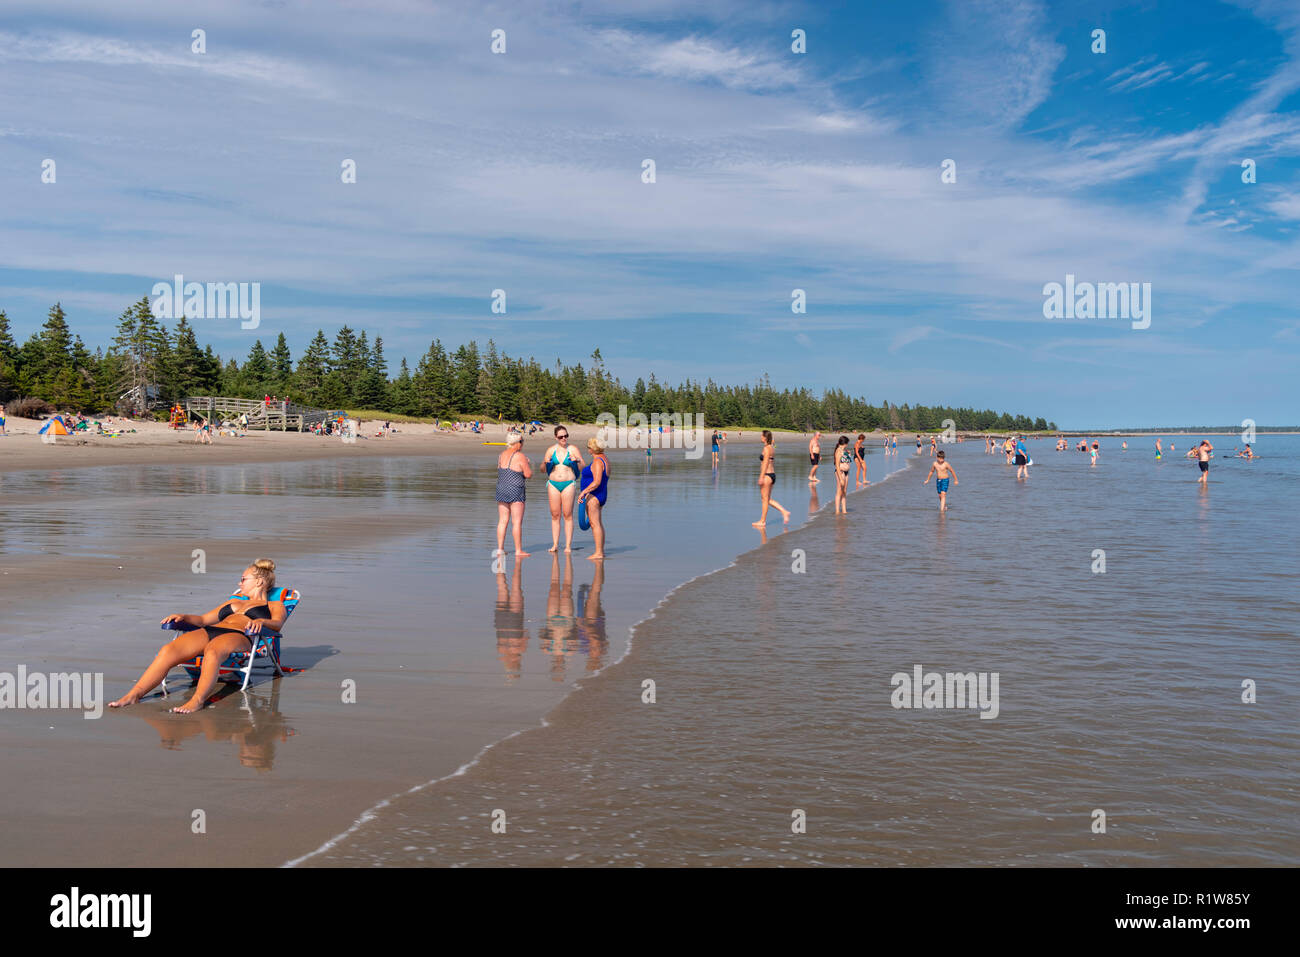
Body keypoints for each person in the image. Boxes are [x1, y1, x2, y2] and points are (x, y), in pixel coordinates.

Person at [109, 559, 287, 713]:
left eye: (243, 579)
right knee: (169, 649)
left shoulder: (274, 605)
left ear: (260, 582)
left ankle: (197, 700)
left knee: (213, 650)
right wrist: (184, 617)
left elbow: (277, 624)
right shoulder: (233, 601)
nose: (239, 583)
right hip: (213, 630)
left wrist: (263, 622)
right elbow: (203, 620)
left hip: (241, 635)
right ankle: (134, 695)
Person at [543, 425, 585, 552]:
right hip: (553, 484)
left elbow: (583, 466)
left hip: (568, 483)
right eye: (561, 436)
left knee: (568, 515)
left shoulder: (573, 449)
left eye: (566, 436)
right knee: (555, 515)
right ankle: (555, 544)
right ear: (556, 437)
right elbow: (542, 469)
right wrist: (545, 462)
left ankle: (567, 546)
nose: (564, 438)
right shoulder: (551, 450)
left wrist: (576, 460)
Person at [496, 431, 532, 558]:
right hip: (515, 489)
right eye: (522, 442)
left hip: (501, 488)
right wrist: (527, 463)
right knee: (516, 522)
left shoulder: (501, 455)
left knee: (502, 521)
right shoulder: (519, 456)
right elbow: (528, 474)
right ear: (517, 443)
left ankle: (500, 549)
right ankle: (518, 550)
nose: (522, 444)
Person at [578, 437, 611, 561]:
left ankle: (598, 553)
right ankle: (600, 551)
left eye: (588, 447)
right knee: (597, 523)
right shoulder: (604, 459)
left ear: (592, 449)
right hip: (601, 494)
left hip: (595, 495)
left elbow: (596, 482)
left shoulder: (598, 461)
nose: (588, 449)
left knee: (594, 523)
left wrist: (583, 492)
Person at [754, 430, 791, 527]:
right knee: (767, 499)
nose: (760, 437)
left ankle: (762, 521)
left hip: (767, 475)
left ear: (765, 437)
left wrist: (761, 477)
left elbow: (765, 463)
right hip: (772, 475)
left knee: (764, 500)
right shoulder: (772, 447)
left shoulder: (766, 449)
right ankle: (784, 512)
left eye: (761, 435)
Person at [833, 436, 852, 513]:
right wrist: (840, 478)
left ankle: (844, 510)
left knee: (844, 491)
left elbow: (846, 460)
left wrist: (848, 454)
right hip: (840, 472)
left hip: (846, 472)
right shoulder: (838, 451)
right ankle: (837, 510)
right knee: (839, 491)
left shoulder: (844, 451)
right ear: (845, 443)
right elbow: (837, 465)